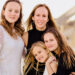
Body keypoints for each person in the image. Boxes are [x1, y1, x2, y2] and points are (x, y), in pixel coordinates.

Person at [0, 0, 25, 75]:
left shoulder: (19, 32)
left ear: (19, 14)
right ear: (4, 12)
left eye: (16, 11)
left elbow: (23, 55)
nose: (13, 14)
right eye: (10, 10)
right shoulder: (1, 30)